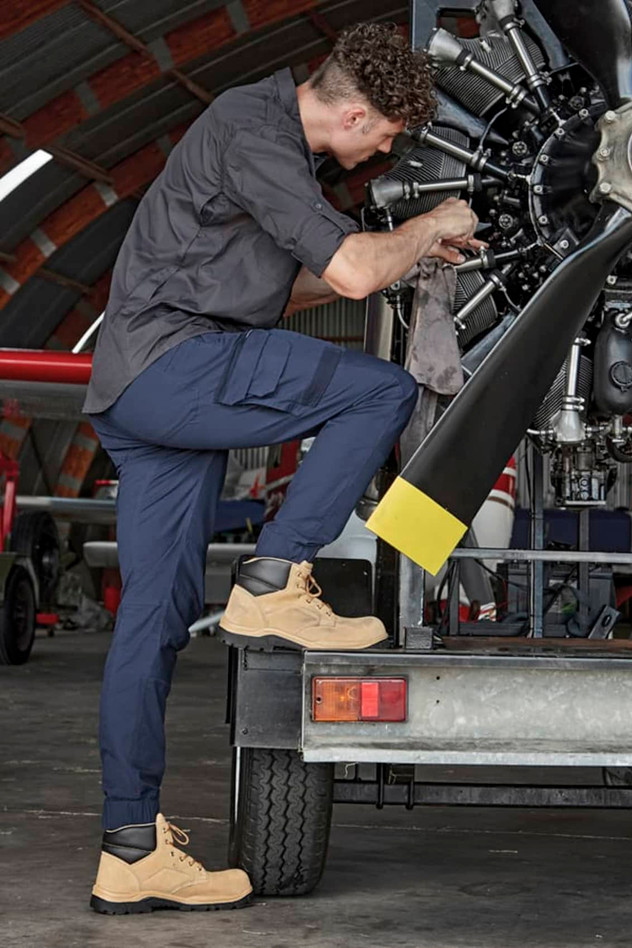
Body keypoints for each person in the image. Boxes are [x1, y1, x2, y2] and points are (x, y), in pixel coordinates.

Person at [86, 21, 481, 915]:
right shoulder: (254, 128)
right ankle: (276, 574)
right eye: (385, 133)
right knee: (378, 391)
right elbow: (343, 274)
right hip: (175, 364)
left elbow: (292, 283)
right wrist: (431, 221)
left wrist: (415, 256)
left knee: (149, 622)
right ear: (350, 111)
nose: (386, 149)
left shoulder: (265, 148)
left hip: (143, 392)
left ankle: (130, 846)